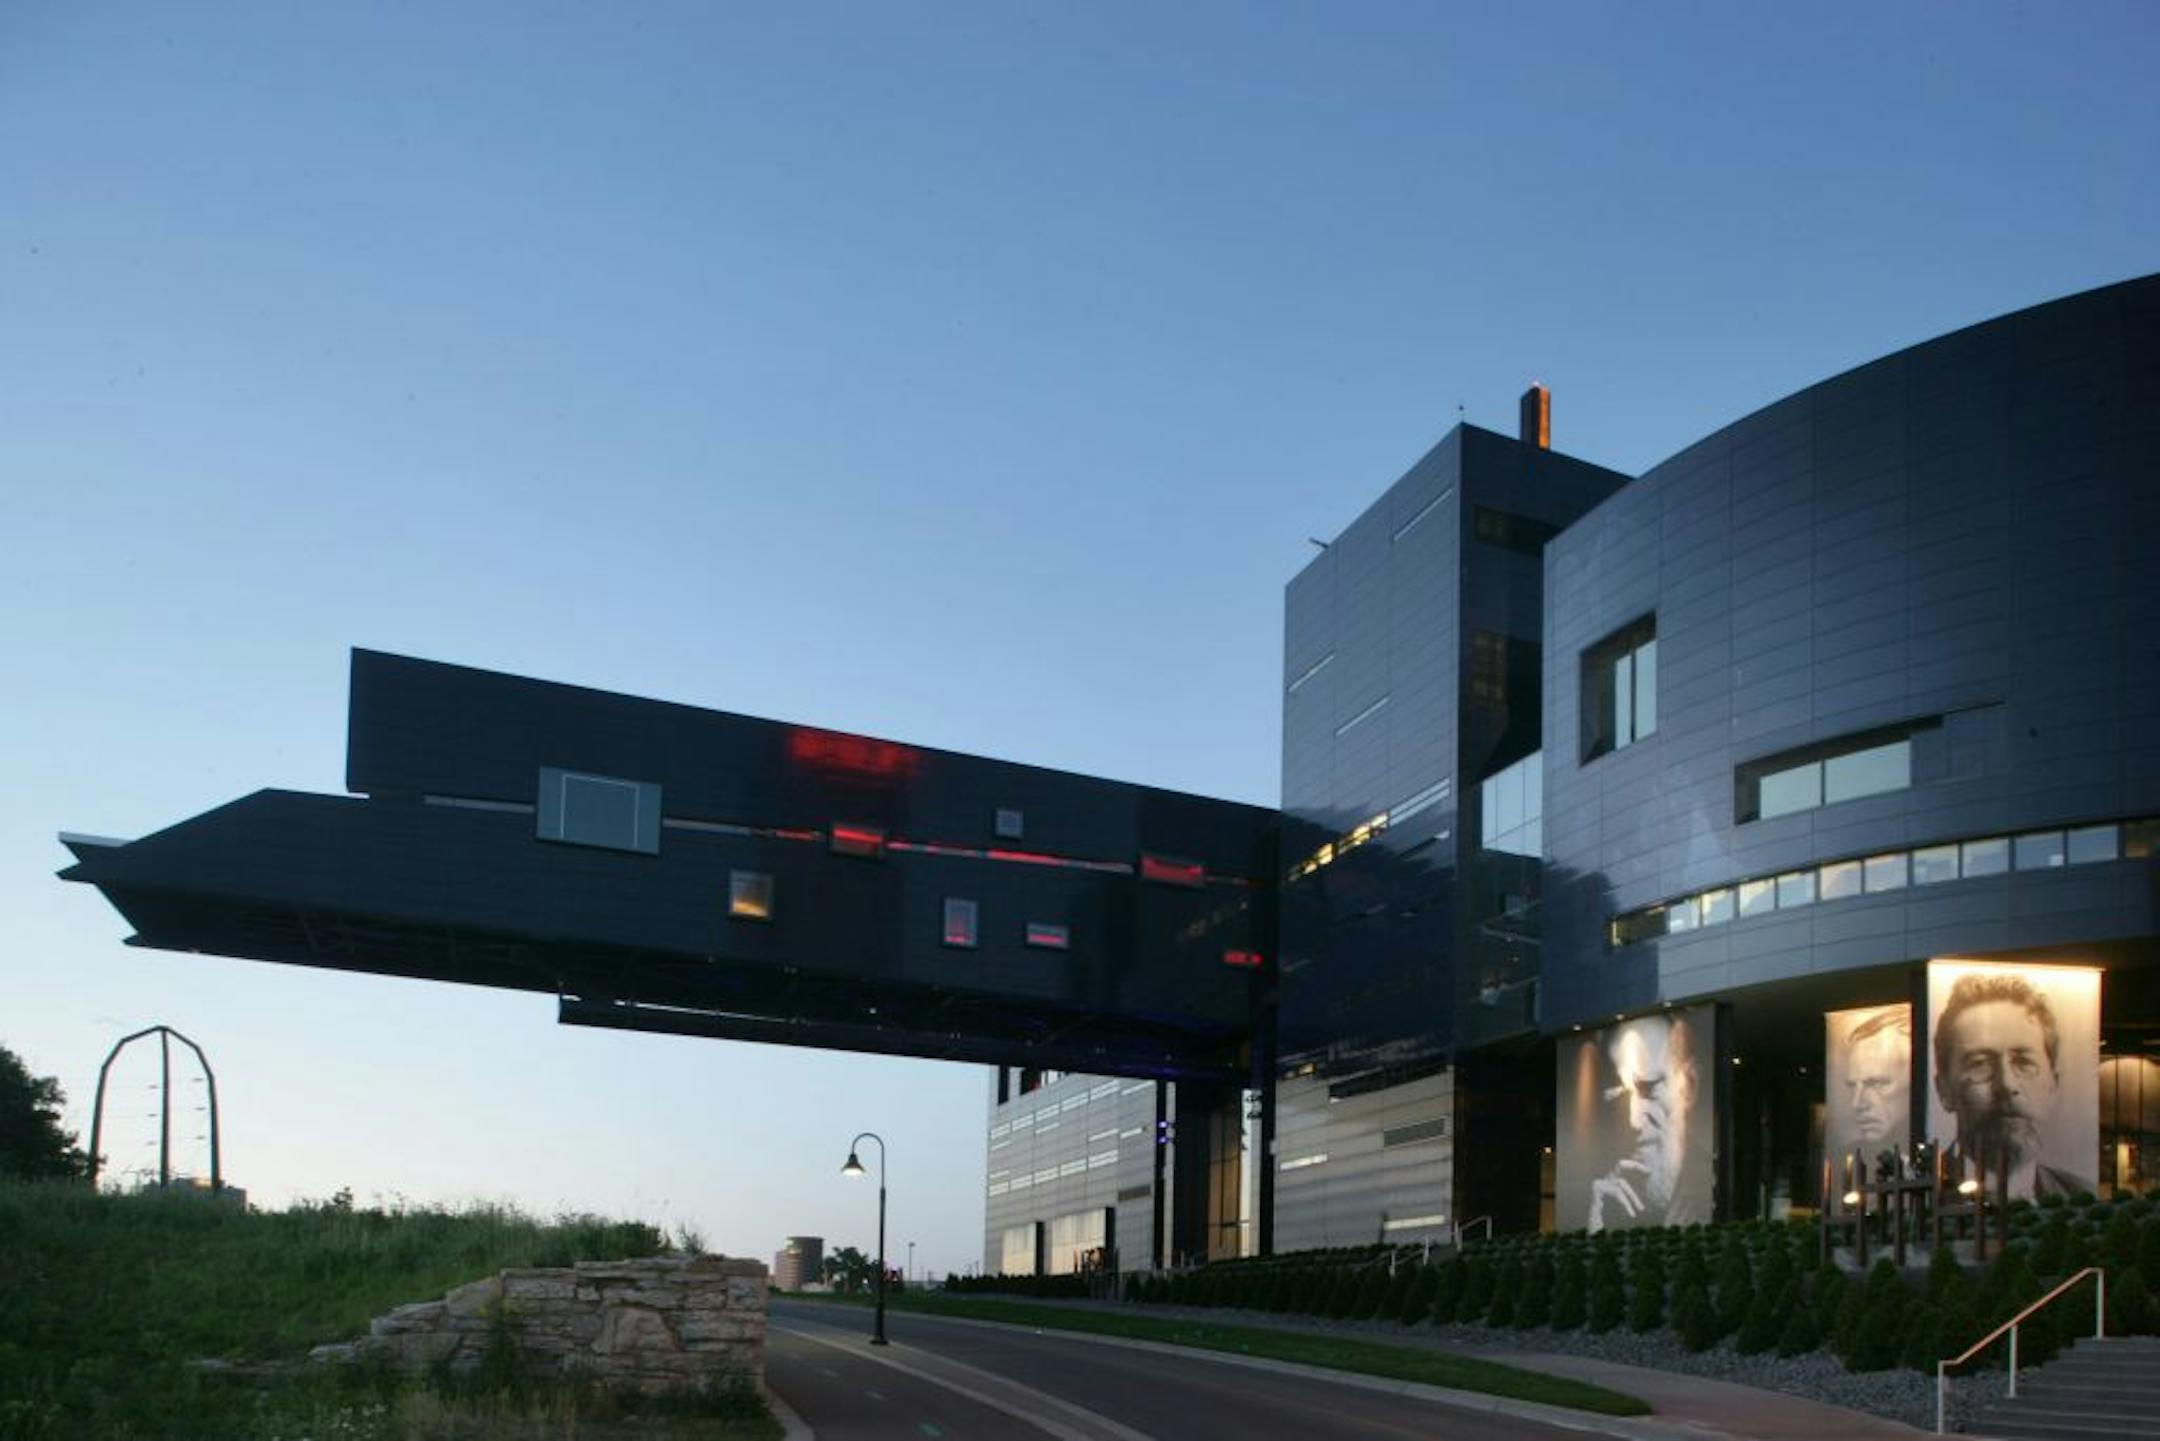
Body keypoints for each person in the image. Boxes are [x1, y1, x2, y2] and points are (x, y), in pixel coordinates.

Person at [1932, 972, 2094, 1200]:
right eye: (1980, 1064)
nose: (2006, 1085)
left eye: (2023, 1062)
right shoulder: (1916, 1198)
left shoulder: (2080, 1196)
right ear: (1944, 1090)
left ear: (2053, 1085)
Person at [1587, 1013, 1702, 1231]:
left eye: (1649, 1089)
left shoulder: (1712, 1191)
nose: (1633, 1121)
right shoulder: (1604, 1198)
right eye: (1616, 1095)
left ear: (1689, 1085)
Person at [1837, 1006, 1911, 1153]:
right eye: (1852, 1086)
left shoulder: (1947, 1160)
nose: (1857, 1104)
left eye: (1877, 1083)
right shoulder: (1846, 1159)